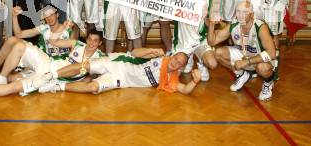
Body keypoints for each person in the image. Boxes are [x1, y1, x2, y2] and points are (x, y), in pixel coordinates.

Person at [0, 30, 105, 101]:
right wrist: (63, 28)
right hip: (47, 62)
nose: (91, 43)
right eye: (90, 39)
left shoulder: (99, 58)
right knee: (18, 44)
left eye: (95, 41)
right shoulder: (76, 44)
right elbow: (53, 42)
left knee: (13, 87)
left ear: (100, 43)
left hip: (49, 77)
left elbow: (90, 78)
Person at [0, 5, 72, 84]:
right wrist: (14, 16)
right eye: (46, 16)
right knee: (12, 39)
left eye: (51, 14)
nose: (49, 18)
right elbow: (19, 34)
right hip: (41, 59)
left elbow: (78, 41)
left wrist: (73, 26)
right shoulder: (44, 28)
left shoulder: (68, 28)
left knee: (13, 79)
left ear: (57, 15)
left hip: (53, 66)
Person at [37, 51, 201, 95]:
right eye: (176, 58)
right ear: (172, 56)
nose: (176, 62)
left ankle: (57, 86)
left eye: (180, 63)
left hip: (121, 79)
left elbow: (185, 90)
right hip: (119, 63)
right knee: (85, 66)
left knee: (93, 88)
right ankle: (50, 76)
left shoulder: (171, 79)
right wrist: (150, 50)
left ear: (181, 67)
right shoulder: (160, 57)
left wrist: (194, 81)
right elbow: (135, 53)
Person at [207, 1, 278, 101]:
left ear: (252, 14)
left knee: (262, 67)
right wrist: (211, 25)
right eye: (238, 11)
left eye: (244, 12)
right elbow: (212, 41)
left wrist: (247, 61)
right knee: (218, 53)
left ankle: (268, 82)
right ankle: (242, 75)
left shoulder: (261, 27)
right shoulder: (234, 24)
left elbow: (272, 53)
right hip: (244, 54)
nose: (240, 15)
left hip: (261, 58)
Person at [157, 0, 216, 82]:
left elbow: (209, 24)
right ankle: (188, 58)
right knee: (175, 72)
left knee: (212, 63)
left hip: (199, 40)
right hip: (183, 42)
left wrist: (207, 18)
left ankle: (201, 63)